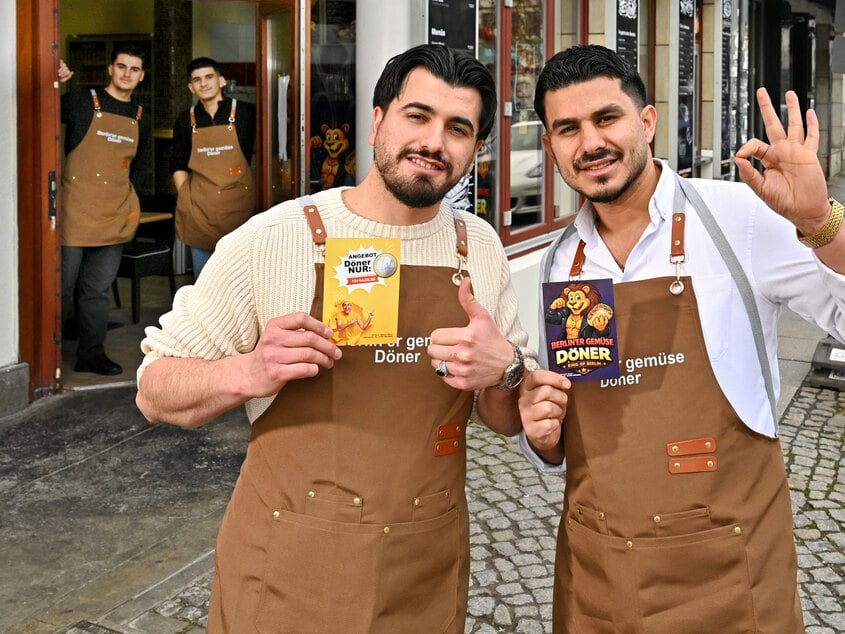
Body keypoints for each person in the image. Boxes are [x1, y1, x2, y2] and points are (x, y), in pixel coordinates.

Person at [518, 45, 845, 632]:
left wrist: (819, 223)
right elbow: (566, 442)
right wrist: (541, 436)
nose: (590, 143)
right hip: (600, 577)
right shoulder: (561, 263)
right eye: (567, 129)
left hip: (730, 576)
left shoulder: (740, 219)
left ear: (648, 121)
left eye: (606, 118)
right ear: (551, 144)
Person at [136, 44, 531, 631]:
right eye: (416, 116)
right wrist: (246, 371)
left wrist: (509, 371)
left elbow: (502, 417)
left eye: (458, 128)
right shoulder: (274, 238)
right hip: (285, 570)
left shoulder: (481, 249)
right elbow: (154, 389)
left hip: (421, 567)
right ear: (377, 121)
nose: (433, 142)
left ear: (476, 148)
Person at [60, 46, 152, 376]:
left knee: (96, 290)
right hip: (74, 213)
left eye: (135, 68)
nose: (127, 73)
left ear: (142, 76)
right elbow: (39, 113)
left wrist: (131, 206)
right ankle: (47, 356)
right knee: (62, 287)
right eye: (122, 66)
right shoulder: (83, 101)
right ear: (110, 70)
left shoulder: (142, 115)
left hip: (114, 215)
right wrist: (53, 78)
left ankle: (91, 354)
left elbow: (141, 169)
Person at [171, 56, 256, 277]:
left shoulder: (248, 113)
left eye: (209, 77)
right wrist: (187, 199)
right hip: (200, 214)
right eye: (197, 80)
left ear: (221, 81)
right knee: (205, 281)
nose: (204, 83)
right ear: (191, 87)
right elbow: (177, 164)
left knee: (239, 280)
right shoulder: (184, 120)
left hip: (240, 212)